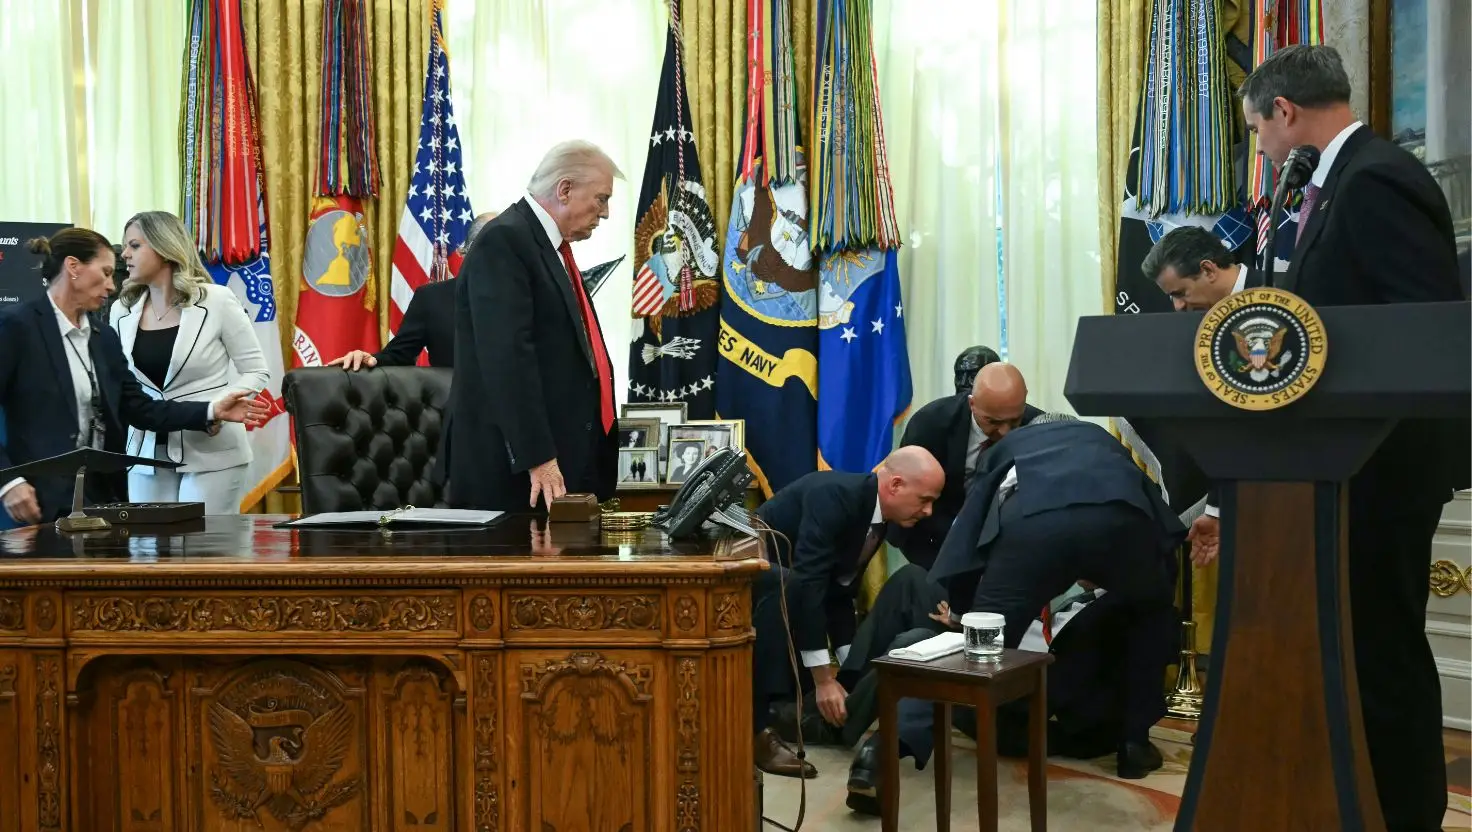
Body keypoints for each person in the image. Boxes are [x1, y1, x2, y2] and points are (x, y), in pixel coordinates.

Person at [1220, 45, 1465, 831]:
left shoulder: (1376, 179)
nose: (1262, 150)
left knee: (1384, 653)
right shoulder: (1337, 185)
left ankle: (1406, 816)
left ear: (1285, 113)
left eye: (1259, 132)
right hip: (1340, 463)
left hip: (1384, 465)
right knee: (1358, 653)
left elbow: (1422, 332)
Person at [865, 420, 1184, 790]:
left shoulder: (1008, 447)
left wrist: (966, 610)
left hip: (1034, 527)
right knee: (1149, 615)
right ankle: (1134, 745)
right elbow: (1153, 507)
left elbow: (973, 530)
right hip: (1122, 518)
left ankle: (883, 752)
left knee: (975, 655)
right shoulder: (1103, 442)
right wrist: (1157, 584)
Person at [0, 229, 265, 524]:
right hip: (35, 500)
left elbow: (140, 408)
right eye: (105, 272)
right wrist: (8, 482)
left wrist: (210, 410)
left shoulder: (103, 338)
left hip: (100, 499)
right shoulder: (16, 327)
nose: (112, 286)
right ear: (73, 267)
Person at [749, 446, 945, 778]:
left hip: (802, 597)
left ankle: (840, 709)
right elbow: (810, 585)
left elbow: (839, 591)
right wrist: (824, 679)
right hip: (762, 588)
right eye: (924, 500)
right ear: (895, 485)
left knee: (911, 579)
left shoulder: (880, 515)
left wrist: (848, 667)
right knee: (790, 582)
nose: (928, 511)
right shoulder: (835, 496)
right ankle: (761, 728)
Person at [447, 142, 621, 511]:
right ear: (564, 190)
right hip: (519, 478)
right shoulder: (505, 241)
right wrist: (538, 458)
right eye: (601, 198)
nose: (605, 213)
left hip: (564, 465)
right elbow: (507, 359)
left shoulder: (549, 248)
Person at [109, 212, 270, 514]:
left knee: (205, 551)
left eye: (134, 245)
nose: (124, 254)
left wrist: (218, 408)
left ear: (163, 248)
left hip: (213, 450)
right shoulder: (121, 309)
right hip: (145, 453)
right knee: (149, 552)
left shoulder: (216, 300)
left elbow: (256, 369)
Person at [887, 362, 1042, 569]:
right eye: (993, 422)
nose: (1005, 432)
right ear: (972, 404)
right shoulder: (931, 424)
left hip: (1006, 548)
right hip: (934, 540)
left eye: (1014, 421)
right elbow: (909, 498)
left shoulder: (1039, 427)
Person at [328, 211, 501, 371]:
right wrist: (368, 359)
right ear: (466, 252)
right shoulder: (432, 299)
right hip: (452, 401)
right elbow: (398, 356)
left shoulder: (525, 297)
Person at [1141, 225, 1258, 311]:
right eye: (1172, 297)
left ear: (1208, 270)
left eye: (1180, 293)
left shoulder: (1274, 293)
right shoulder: (1188, 326)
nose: (1178, 306)